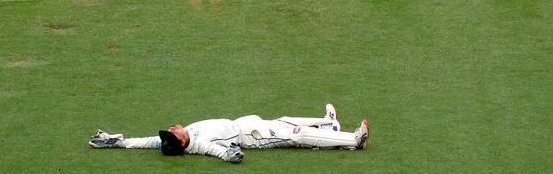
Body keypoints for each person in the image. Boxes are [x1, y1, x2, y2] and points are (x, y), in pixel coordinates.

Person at [88, 103, 370, 163]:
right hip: (253, 135)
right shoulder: (197, 143)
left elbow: (148, 141)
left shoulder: (183, 136)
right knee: (295, 135)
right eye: (172, 131)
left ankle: (326, 122)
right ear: (181, 140)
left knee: (285, 119)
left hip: (246, 122)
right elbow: (219, 151)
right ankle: (352, 140)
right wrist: (232, 154)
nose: (172, 127)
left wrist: (119, 141)